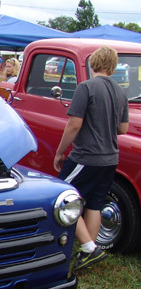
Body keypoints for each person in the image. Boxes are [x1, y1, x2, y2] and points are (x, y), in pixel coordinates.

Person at [53, 45, 129, 271]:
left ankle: (88, 247)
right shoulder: (120, 92)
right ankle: (90, 249)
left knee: (61, 197)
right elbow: (123, 128)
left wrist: (60, 151)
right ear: (113, 67)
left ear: (93, 63)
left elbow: (74, 124)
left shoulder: (86, 88)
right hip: (110, 159)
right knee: (94, 203)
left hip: (86, 156)